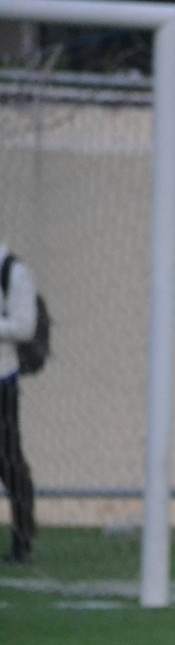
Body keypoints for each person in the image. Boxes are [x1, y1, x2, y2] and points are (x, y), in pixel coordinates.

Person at [0, 242, 37, 567]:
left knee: (8, 461)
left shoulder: (13, 272)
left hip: (2, 382)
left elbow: (25, 326)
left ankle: (23, 539)